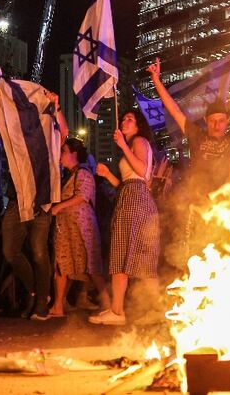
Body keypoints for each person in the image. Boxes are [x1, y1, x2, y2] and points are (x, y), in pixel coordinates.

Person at [146, 58, 230, 264]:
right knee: (195, 257)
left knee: (226, 257)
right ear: (206, 121)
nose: (217, 125)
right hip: (198, 205)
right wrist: (156, 80)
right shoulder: (197, 136)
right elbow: (174, 110)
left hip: (226, 208)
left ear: (227, 121)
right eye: (213, 121)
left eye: (221, 120)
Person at [0, 86, 68, 320]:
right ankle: (35, 290)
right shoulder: (16, 137)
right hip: (17, 200)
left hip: (42, 202)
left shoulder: (49, 137)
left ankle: (42, 302)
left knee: (38, 251)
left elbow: (63, 133)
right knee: (10, 250)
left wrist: (58, 106)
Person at [90, 110, 159, 326]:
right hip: (128, 198)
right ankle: (117, 311)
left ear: (139, 126)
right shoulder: (130, 147)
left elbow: (141, 171)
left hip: (137, 200)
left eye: (130, 119)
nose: (124, 121)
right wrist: (108, 174)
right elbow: (125, 183)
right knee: (121, 255)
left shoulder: (139, 141)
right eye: (124, 119)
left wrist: (122, 145)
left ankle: (157, 308)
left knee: (140, 258)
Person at [48, 137, 110, 318]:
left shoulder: (83, 172)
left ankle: (108, 303)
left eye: (64, 151)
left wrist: (59, 206)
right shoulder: (69, 175)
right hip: (67, 228)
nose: (61, 155)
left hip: (82, 228)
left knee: (91, 265)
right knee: (62, 265)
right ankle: (58, 306)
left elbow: (83, 196)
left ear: (74, 154)